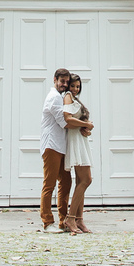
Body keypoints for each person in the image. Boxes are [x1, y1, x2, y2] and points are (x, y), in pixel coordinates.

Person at [62, 72, 95, 234]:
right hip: (75, 141)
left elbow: (79, 122)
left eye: (78, 86)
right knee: (87, 179)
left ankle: (79, 219)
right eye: (73, 86)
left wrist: (85, 128)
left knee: (81, 181)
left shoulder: (75, 99)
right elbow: (67, 118)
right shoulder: (68, 96)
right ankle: (70, 218)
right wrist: (86, 124)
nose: (75, 89)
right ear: (68, 86)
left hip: (81, 139)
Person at [40, 67, 72, 232]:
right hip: (51, 145)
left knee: (66, 182)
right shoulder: (54, 97)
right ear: (55, 80)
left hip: (60, 146)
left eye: (67, 82)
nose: (64, 84)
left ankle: (63, 221)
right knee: (49, 184)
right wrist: (84, 125)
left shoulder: (61, 97)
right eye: (62, 81)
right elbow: (63, 122)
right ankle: (47, 222)